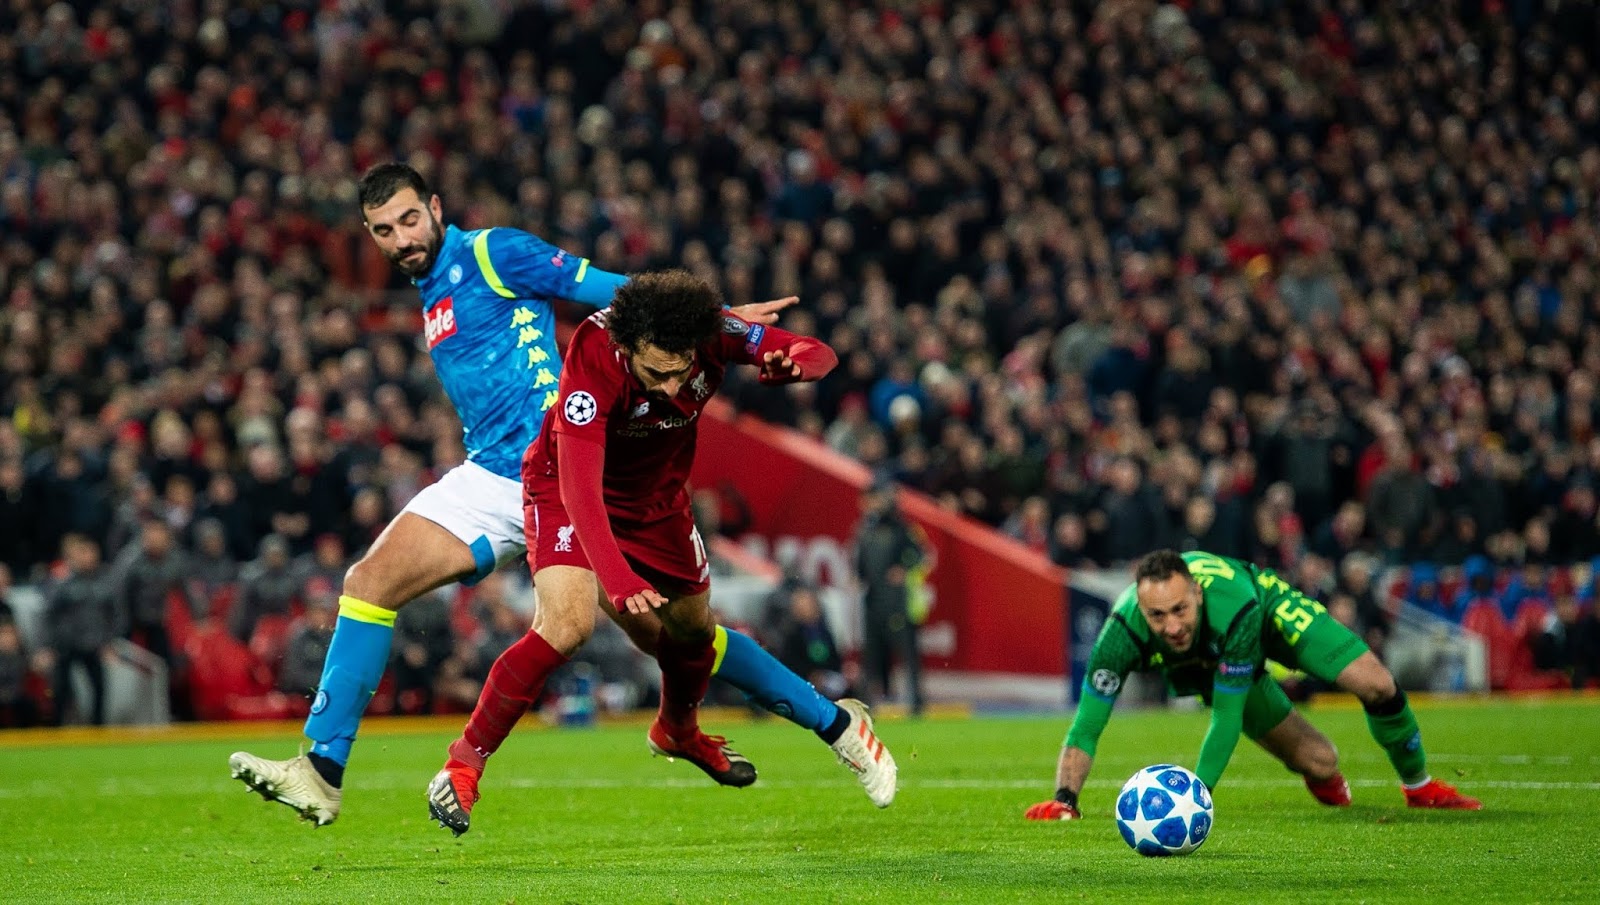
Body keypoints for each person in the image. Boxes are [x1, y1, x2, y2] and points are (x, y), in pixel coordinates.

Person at [229, 163, 883, 826]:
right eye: (383, 231)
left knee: (677, 638)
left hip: (570, 466)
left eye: (409, 219)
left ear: (435, 206)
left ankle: (823, 719)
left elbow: (612, 291)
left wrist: (708, 323)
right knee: (369, 583)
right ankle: (322, 771)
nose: (402, 239)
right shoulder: (431, 290)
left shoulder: (492, 253)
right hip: (493, 475)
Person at [426, 270, 897, 836]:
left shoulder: (710, 332)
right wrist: (617, 576)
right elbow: (580, 489)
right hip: (568, 489)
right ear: (628, 347)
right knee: (567, 626)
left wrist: (796, 364)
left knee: (693, 633)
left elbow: (814, 351)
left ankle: (679, 730)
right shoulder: (594, 354)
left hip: (657, 502)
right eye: (656, 373)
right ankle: (462, 766)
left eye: (681, 372)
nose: (672, 388)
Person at [1024, 549, 1481, 822]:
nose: (1172, 625)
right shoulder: (1119, 635)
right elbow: (1087, 725)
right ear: (1140, 610)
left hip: (1266, 611)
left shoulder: (1233, 608)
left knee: (1376, 683)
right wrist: (1065, 800)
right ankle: (1329, 781)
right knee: (1320, 762)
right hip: (1209, 663)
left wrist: (1193, 800)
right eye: (1157, 616)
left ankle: (1419, 786)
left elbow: (1226, 717)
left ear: (1197, 592)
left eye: (1180, 609)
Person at [854, 477, 931, 716]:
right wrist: (858, 576)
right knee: (872, 655)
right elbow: (861, 564)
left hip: (897, 601)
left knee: (907, 652)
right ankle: (869, 703)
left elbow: (920, 554)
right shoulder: (864, 530)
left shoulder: (900, 527)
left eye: (874, 498)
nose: (871, 504)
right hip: (873, 599)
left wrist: (904, 568)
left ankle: (916, 701)